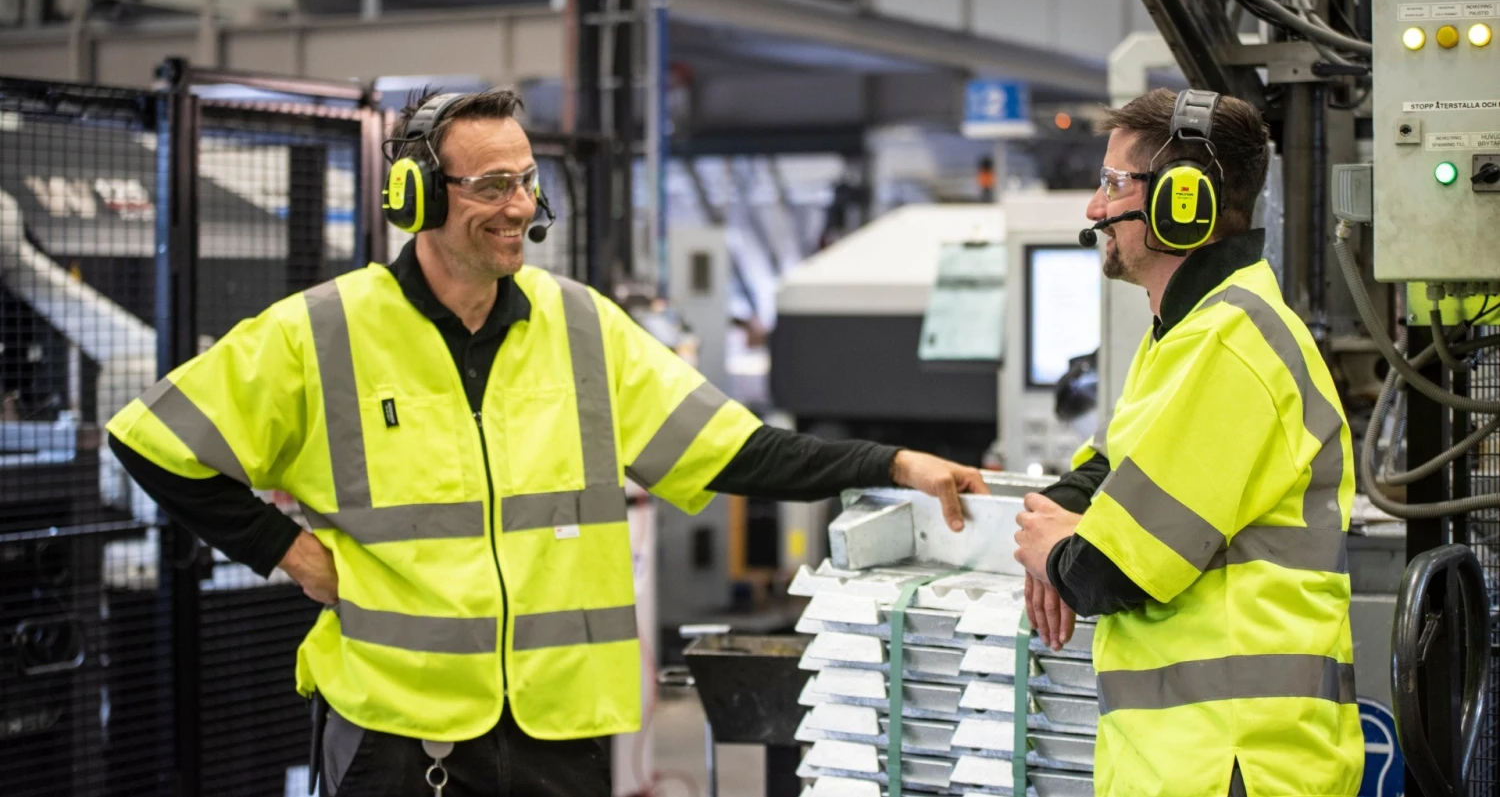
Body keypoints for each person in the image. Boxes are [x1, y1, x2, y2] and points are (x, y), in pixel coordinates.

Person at [106, 88, 988, 797]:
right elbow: (151, 439)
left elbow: (737, 449)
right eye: (492, 185)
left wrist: (892, 463)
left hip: (557, 736)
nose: (521, 207)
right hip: (398, 739)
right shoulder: (322, 332)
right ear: (417, 195)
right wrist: (288, 551)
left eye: (528, 181)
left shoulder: (581, 326)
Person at [1012, 88, 1363, 797]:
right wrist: (1056, 522)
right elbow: (1110, 466)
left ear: (1183, 202)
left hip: (1236, 761)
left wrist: (1050, 552)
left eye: (1114, 183)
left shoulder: (1231, 345)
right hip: (1191, 758)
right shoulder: (1186, 332)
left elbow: (1111, 567)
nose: (1095, 208)